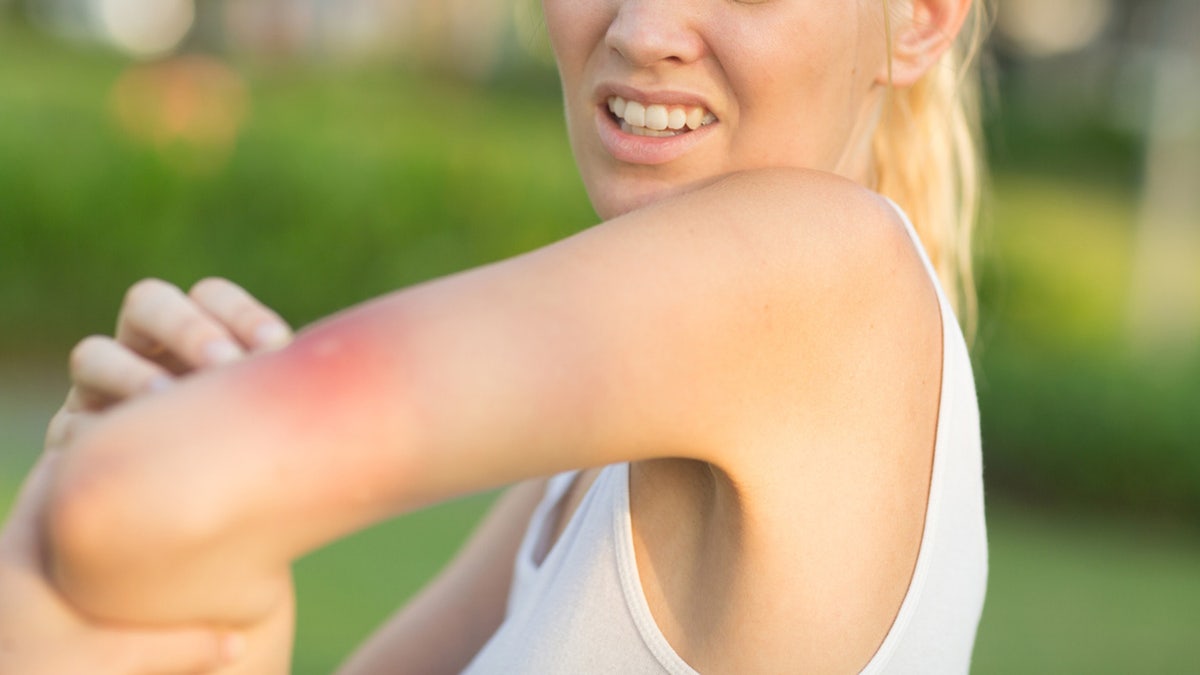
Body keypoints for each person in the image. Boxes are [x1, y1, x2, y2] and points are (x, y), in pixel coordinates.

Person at [0, 0, 990, 672]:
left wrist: (142, 496)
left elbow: (118, 502)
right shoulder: (595, 461)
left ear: (922, 19)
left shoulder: (820, 267)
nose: (643, 28)